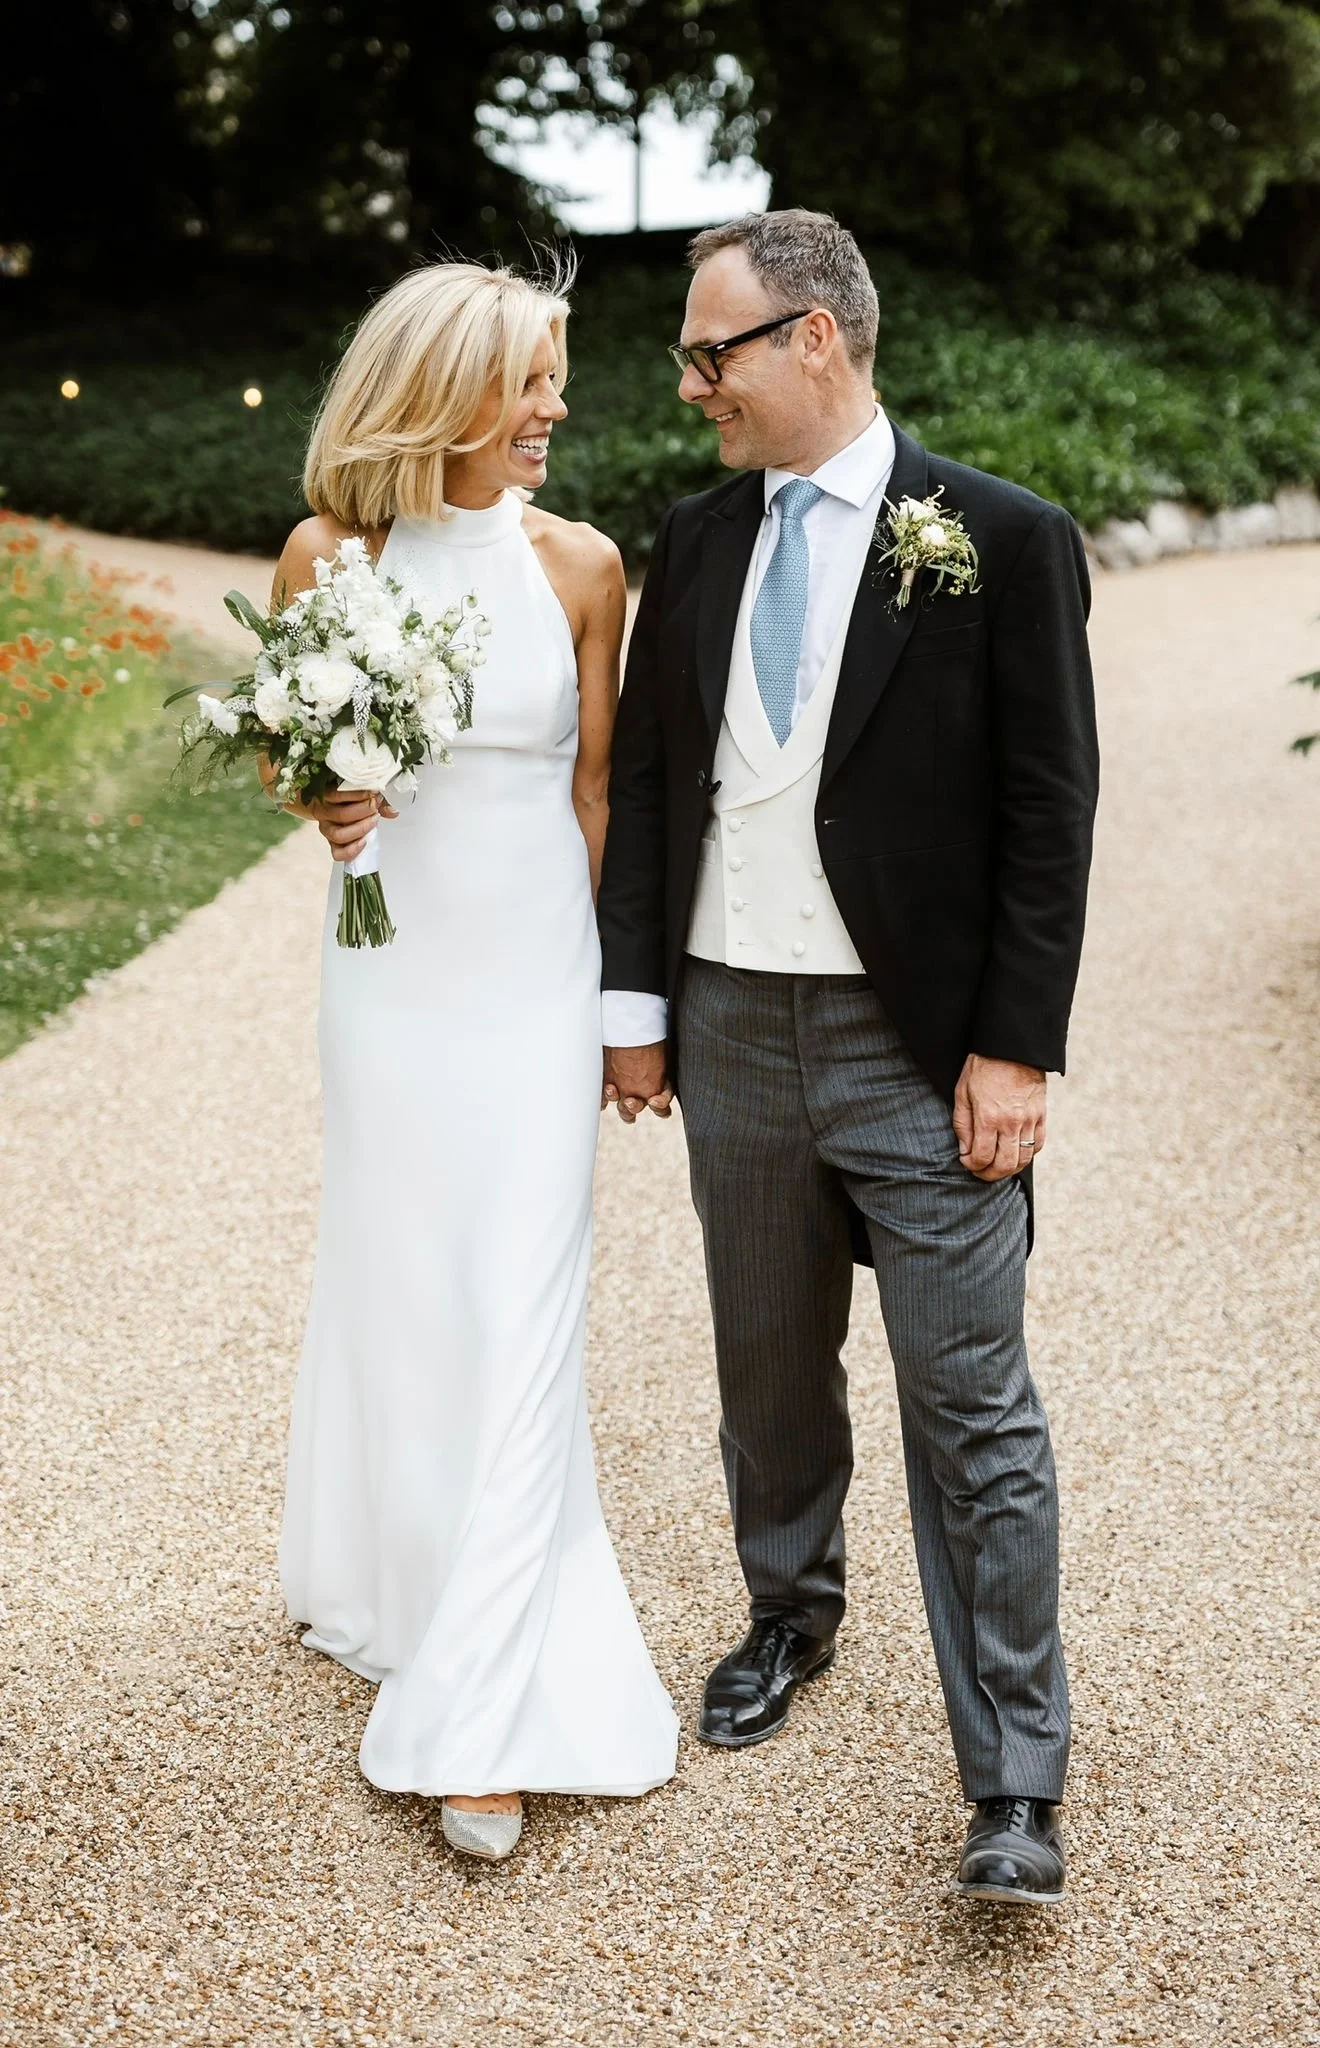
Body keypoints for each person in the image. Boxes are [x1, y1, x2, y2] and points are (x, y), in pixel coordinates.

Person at [598, 210, 1098, 1905]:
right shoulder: (695, 535)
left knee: (974, 1412)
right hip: (731, 1022)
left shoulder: (1001, 539)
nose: (689, 385)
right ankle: (788, 1611)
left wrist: (1014, 1047)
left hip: (921, 1045)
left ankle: (1016, 1778)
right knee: (766, 1368)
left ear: (816, 339)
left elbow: (1050, 812)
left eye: (709, 352)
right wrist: (638, 1009)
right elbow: (660, 786)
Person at [273, 259, 678, 1862]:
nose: (557, 409)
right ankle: (400, 1571)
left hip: (532, 982)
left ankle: (489, 1703)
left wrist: (617, 1008)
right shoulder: (331, 555)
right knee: (409, 1277)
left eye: (557, 377)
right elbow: (295, 759)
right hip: (390, 982)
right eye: (531, 380)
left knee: (524, 1298)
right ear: (441, 390)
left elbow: (596, 797)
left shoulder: (582, 566)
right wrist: (323, 802)